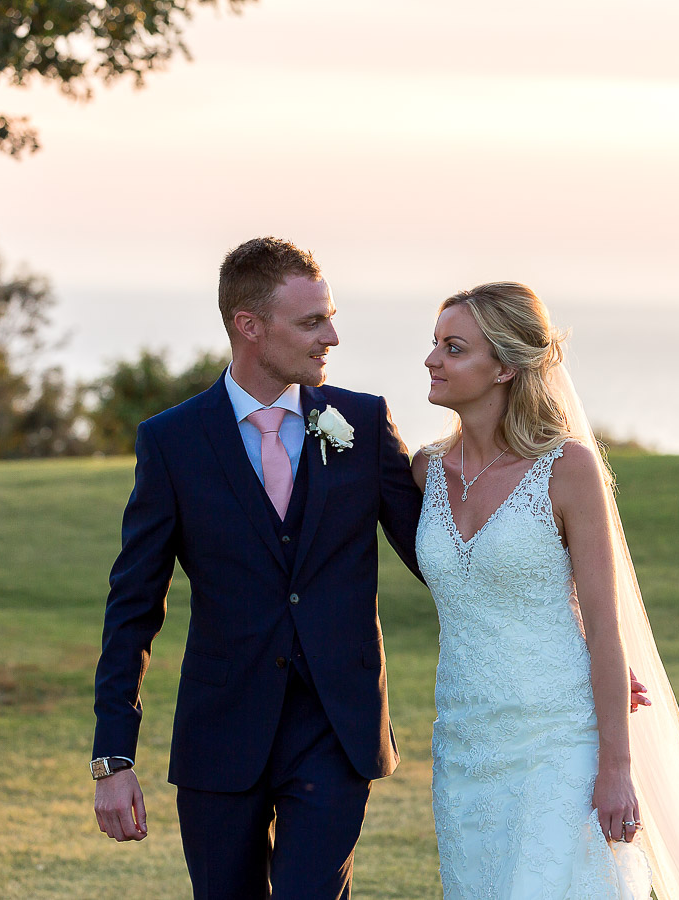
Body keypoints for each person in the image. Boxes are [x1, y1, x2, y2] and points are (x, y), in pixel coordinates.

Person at [90, 237, 426, 899]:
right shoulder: (173, 442)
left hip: (335, 729)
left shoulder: (361, 420)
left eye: (329, 316)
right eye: (311, 322)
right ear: (249, 326)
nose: (331, 335)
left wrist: (574, 642)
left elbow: (439, 560)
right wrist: (113, 758)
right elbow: (133, 606)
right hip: (220, 734)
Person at [412, 283, 679, 898]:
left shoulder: (566, 469)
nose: (432, 360)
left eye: (454, 348)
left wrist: (617, 771)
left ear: (506, 367)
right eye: (435, 344)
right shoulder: (425, 470)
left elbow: (604, 624)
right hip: (463, 744)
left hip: (558, 740)